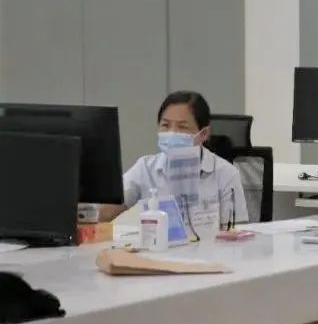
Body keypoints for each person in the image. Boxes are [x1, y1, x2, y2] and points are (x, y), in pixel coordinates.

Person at [98, 91, 249, 227]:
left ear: (204, 134)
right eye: (165, 125)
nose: (172, 133)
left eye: (182, 127)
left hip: (209, 248)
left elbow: (236, 234)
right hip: (157, 248)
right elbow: (105, 212)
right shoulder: (145, 167)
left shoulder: (226, 174)